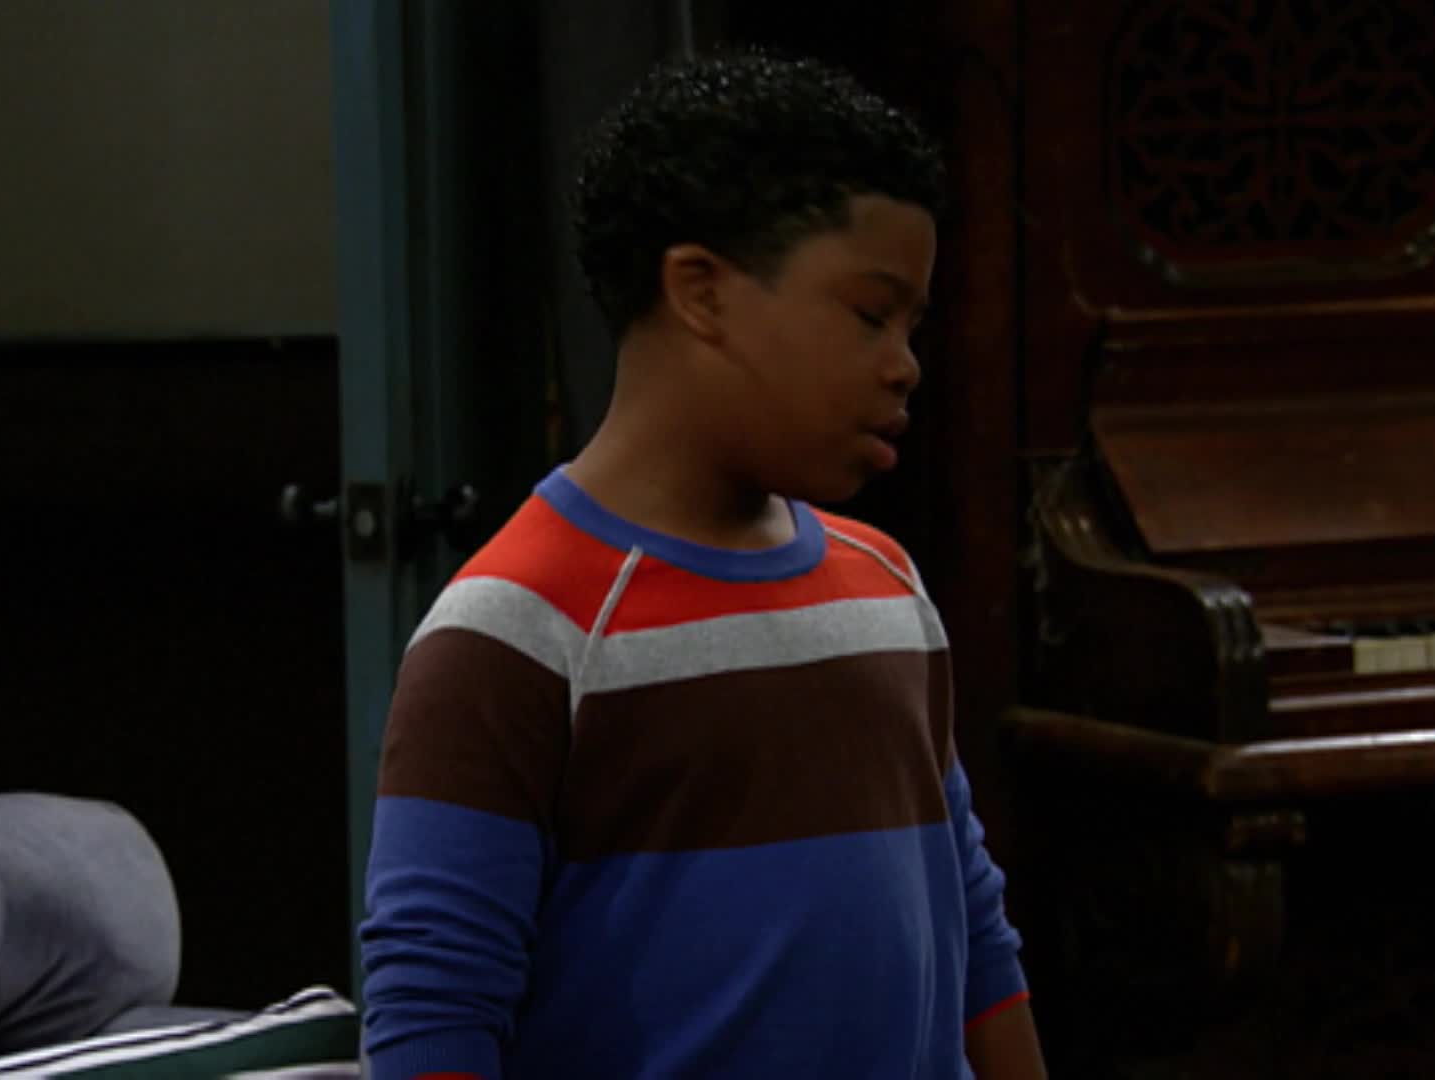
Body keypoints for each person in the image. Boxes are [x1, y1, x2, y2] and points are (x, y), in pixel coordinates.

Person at [359, 49, 1045, 1080]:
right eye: (870, 314)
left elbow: (976, 932)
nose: (905, 363)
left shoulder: (886, 585)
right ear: (702, 291)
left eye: (914, 325)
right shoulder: (518, 630)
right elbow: (432, 1010)